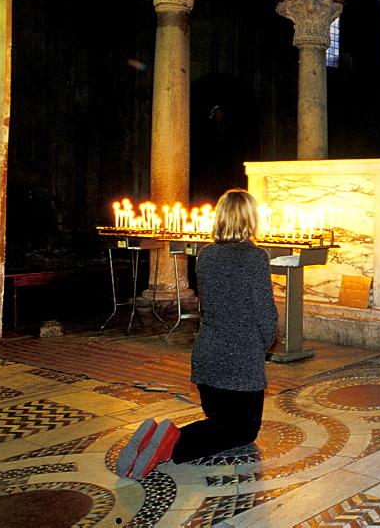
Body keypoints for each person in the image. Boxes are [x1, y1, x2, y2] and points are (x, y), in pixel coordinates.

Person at [118, 189, 278, 479]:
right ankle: (171, 446)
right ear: (251, 219)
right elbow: (264, 311)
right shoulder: (255, 257)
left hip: (207, 358)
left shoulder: (205, 254)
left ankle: (157, 436)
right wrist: (264, 343)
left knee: (219, 421)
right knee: (243, 432)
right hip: (239, 362)